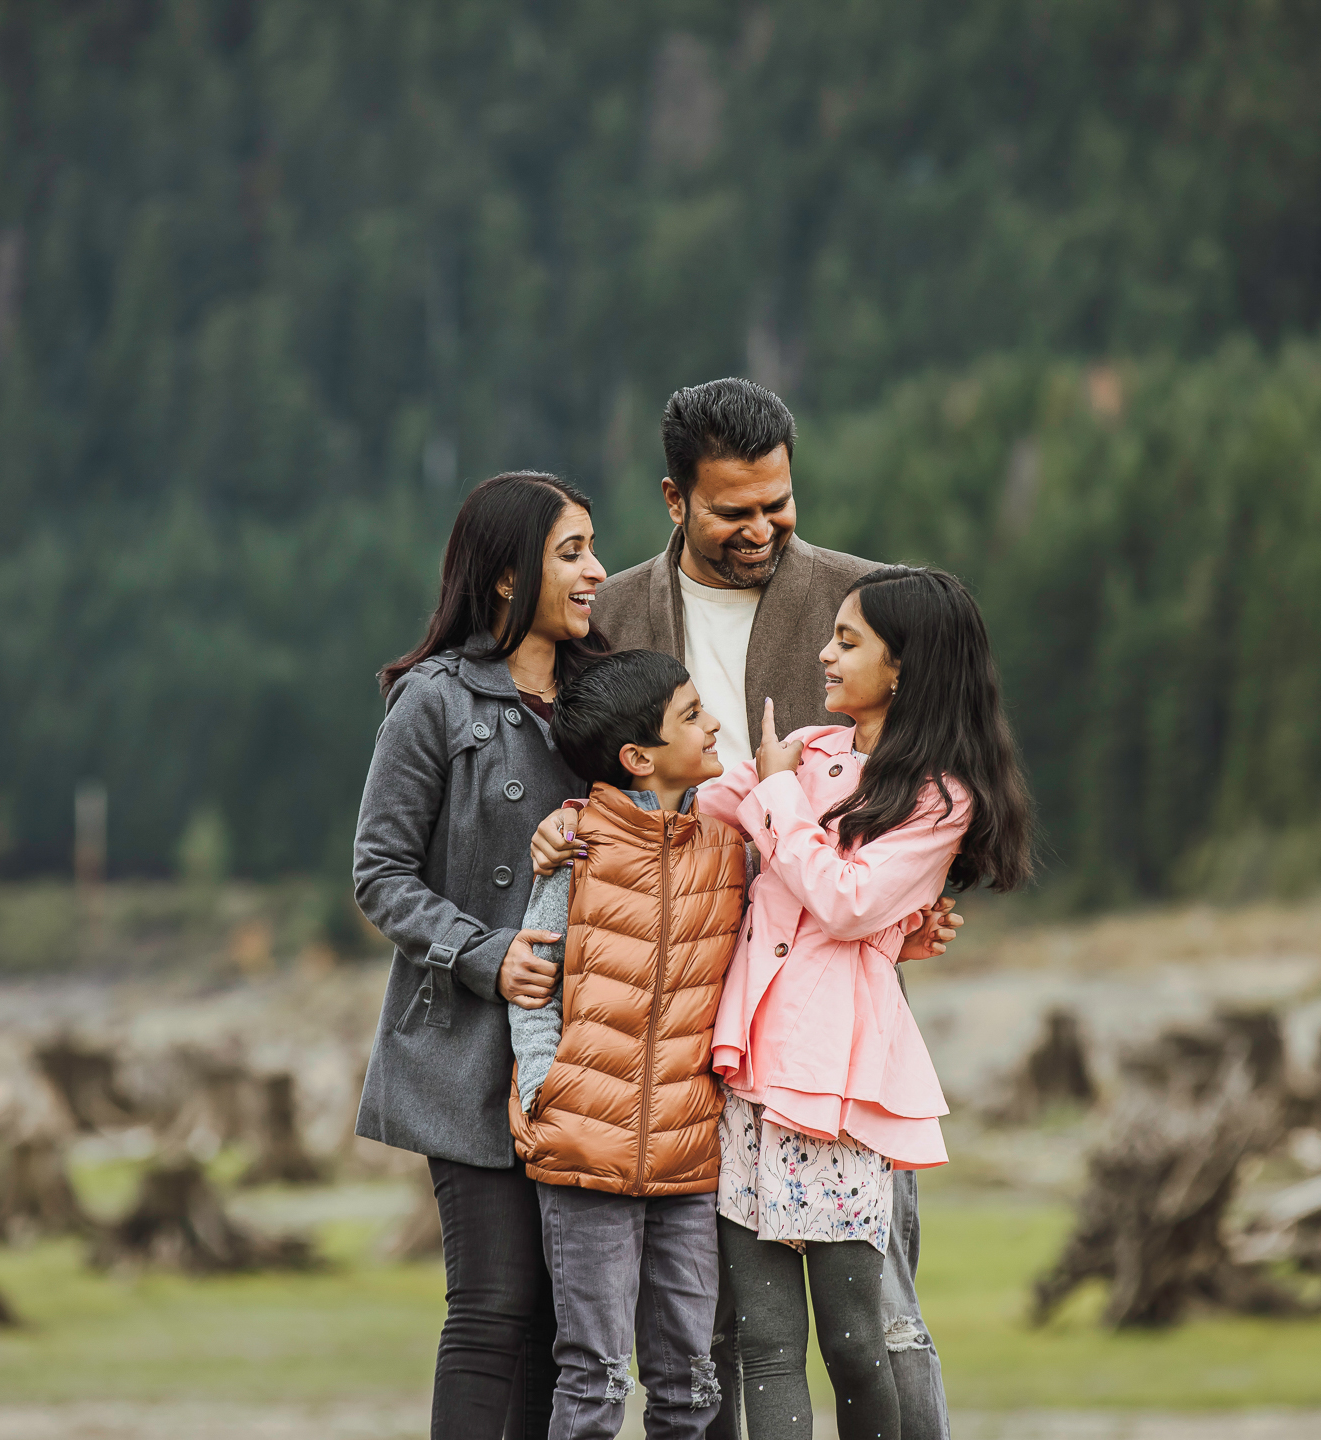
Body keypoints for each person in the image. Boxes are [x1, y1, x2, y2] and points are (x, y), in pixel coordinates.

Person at [532, 377, 962, 1438]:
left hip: (829, 1015)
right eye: (735, 511)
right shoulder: (614, 614)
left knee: (880, 1311)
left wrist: (919, 904)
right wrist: (558, 832)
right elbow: (580, 761)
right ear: (675, 500)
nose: (765, 527)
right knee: (717, 1325)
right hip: (679, 1014)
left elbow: (929, 777)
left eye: (779, 502)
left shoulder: (865, 600)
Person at [698, 565, 1033, 1438]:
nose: (823, 652)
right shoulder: (808, 752)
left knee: (853, 1341)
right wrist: (589, 817)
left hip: (838, 1090)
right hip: (748, 1071)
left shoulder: (938, 799)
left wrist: (776, 794)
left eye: (847, 640)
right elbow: (694, 813)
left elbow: (849, 898)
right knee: (763, 1342)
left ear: (906, 667)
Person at [353, 471, 609, 1440]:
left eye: (593, 549)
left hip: (582, 1058)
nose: (594, 574)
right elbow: (378, 874)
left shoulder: (601, 701)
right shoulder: (432, 703)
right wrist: (486, 956)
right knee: (494, 1304)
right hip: (462, 1052)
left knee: (560, 1322)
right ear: (506, 578)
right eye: (572, 553)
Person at [505, 649, 747, 1439]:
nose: (712, 723)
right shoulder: (577, 847)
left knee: (689, 1383)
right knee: (595, 1379)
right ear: (639, 756)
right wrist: (548, 1085)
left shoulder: (730, 846)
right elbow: (533, 975)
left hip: (690, 1161)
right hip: (580, 1149)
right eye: (691, 714)